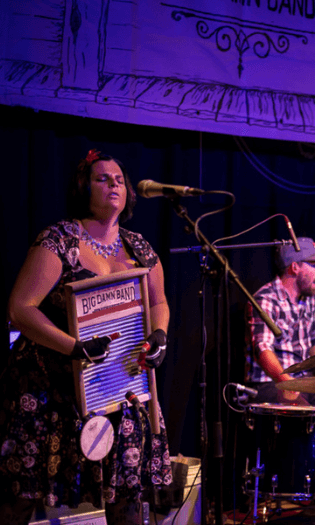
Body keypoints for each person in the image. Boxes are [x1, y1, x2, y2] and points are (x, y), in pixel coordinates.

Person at [0, 150, 172, 525]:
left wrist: (159, 335)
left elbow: (159, 301)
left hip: (116, 385)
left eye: (119, 179)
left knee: (127, 494)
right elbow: (20, 308)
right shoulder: (60, 240)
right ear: (82, 188)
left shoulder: (138, 247)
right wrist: (74, 346)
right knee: (19, 498)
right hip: (50, 387)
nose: (114, 184)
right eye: (102, 178)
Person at [245, 237, 315, 406]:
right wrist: (288, 384)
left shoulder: (308, 298)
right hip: (271, 383)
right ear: (295, 267)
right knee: (311, 414)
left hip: (303, 380)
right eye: (314, 264)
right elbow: (263, 350)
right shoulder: (265, 299)